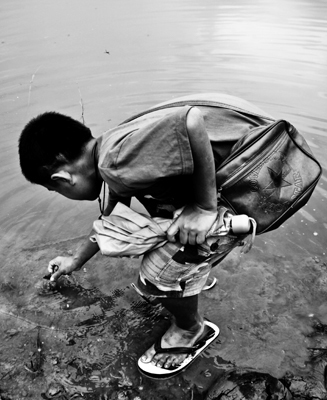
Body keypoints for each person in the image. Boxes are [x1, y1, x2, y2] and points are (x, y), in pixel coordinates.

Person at [18, 93, 273, 379]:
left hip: (251, 184)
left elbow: (190, 120)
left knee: (155, 276)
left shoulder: (114, 161)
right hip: (244, 173)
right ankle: (192, 272)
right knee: (159, 215)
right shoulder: (110, 150)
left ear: (62, 179)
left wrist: (204, 207)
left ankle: (192, 329)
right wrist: (75, 260)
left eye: (56, 191)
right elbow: (110, 221)